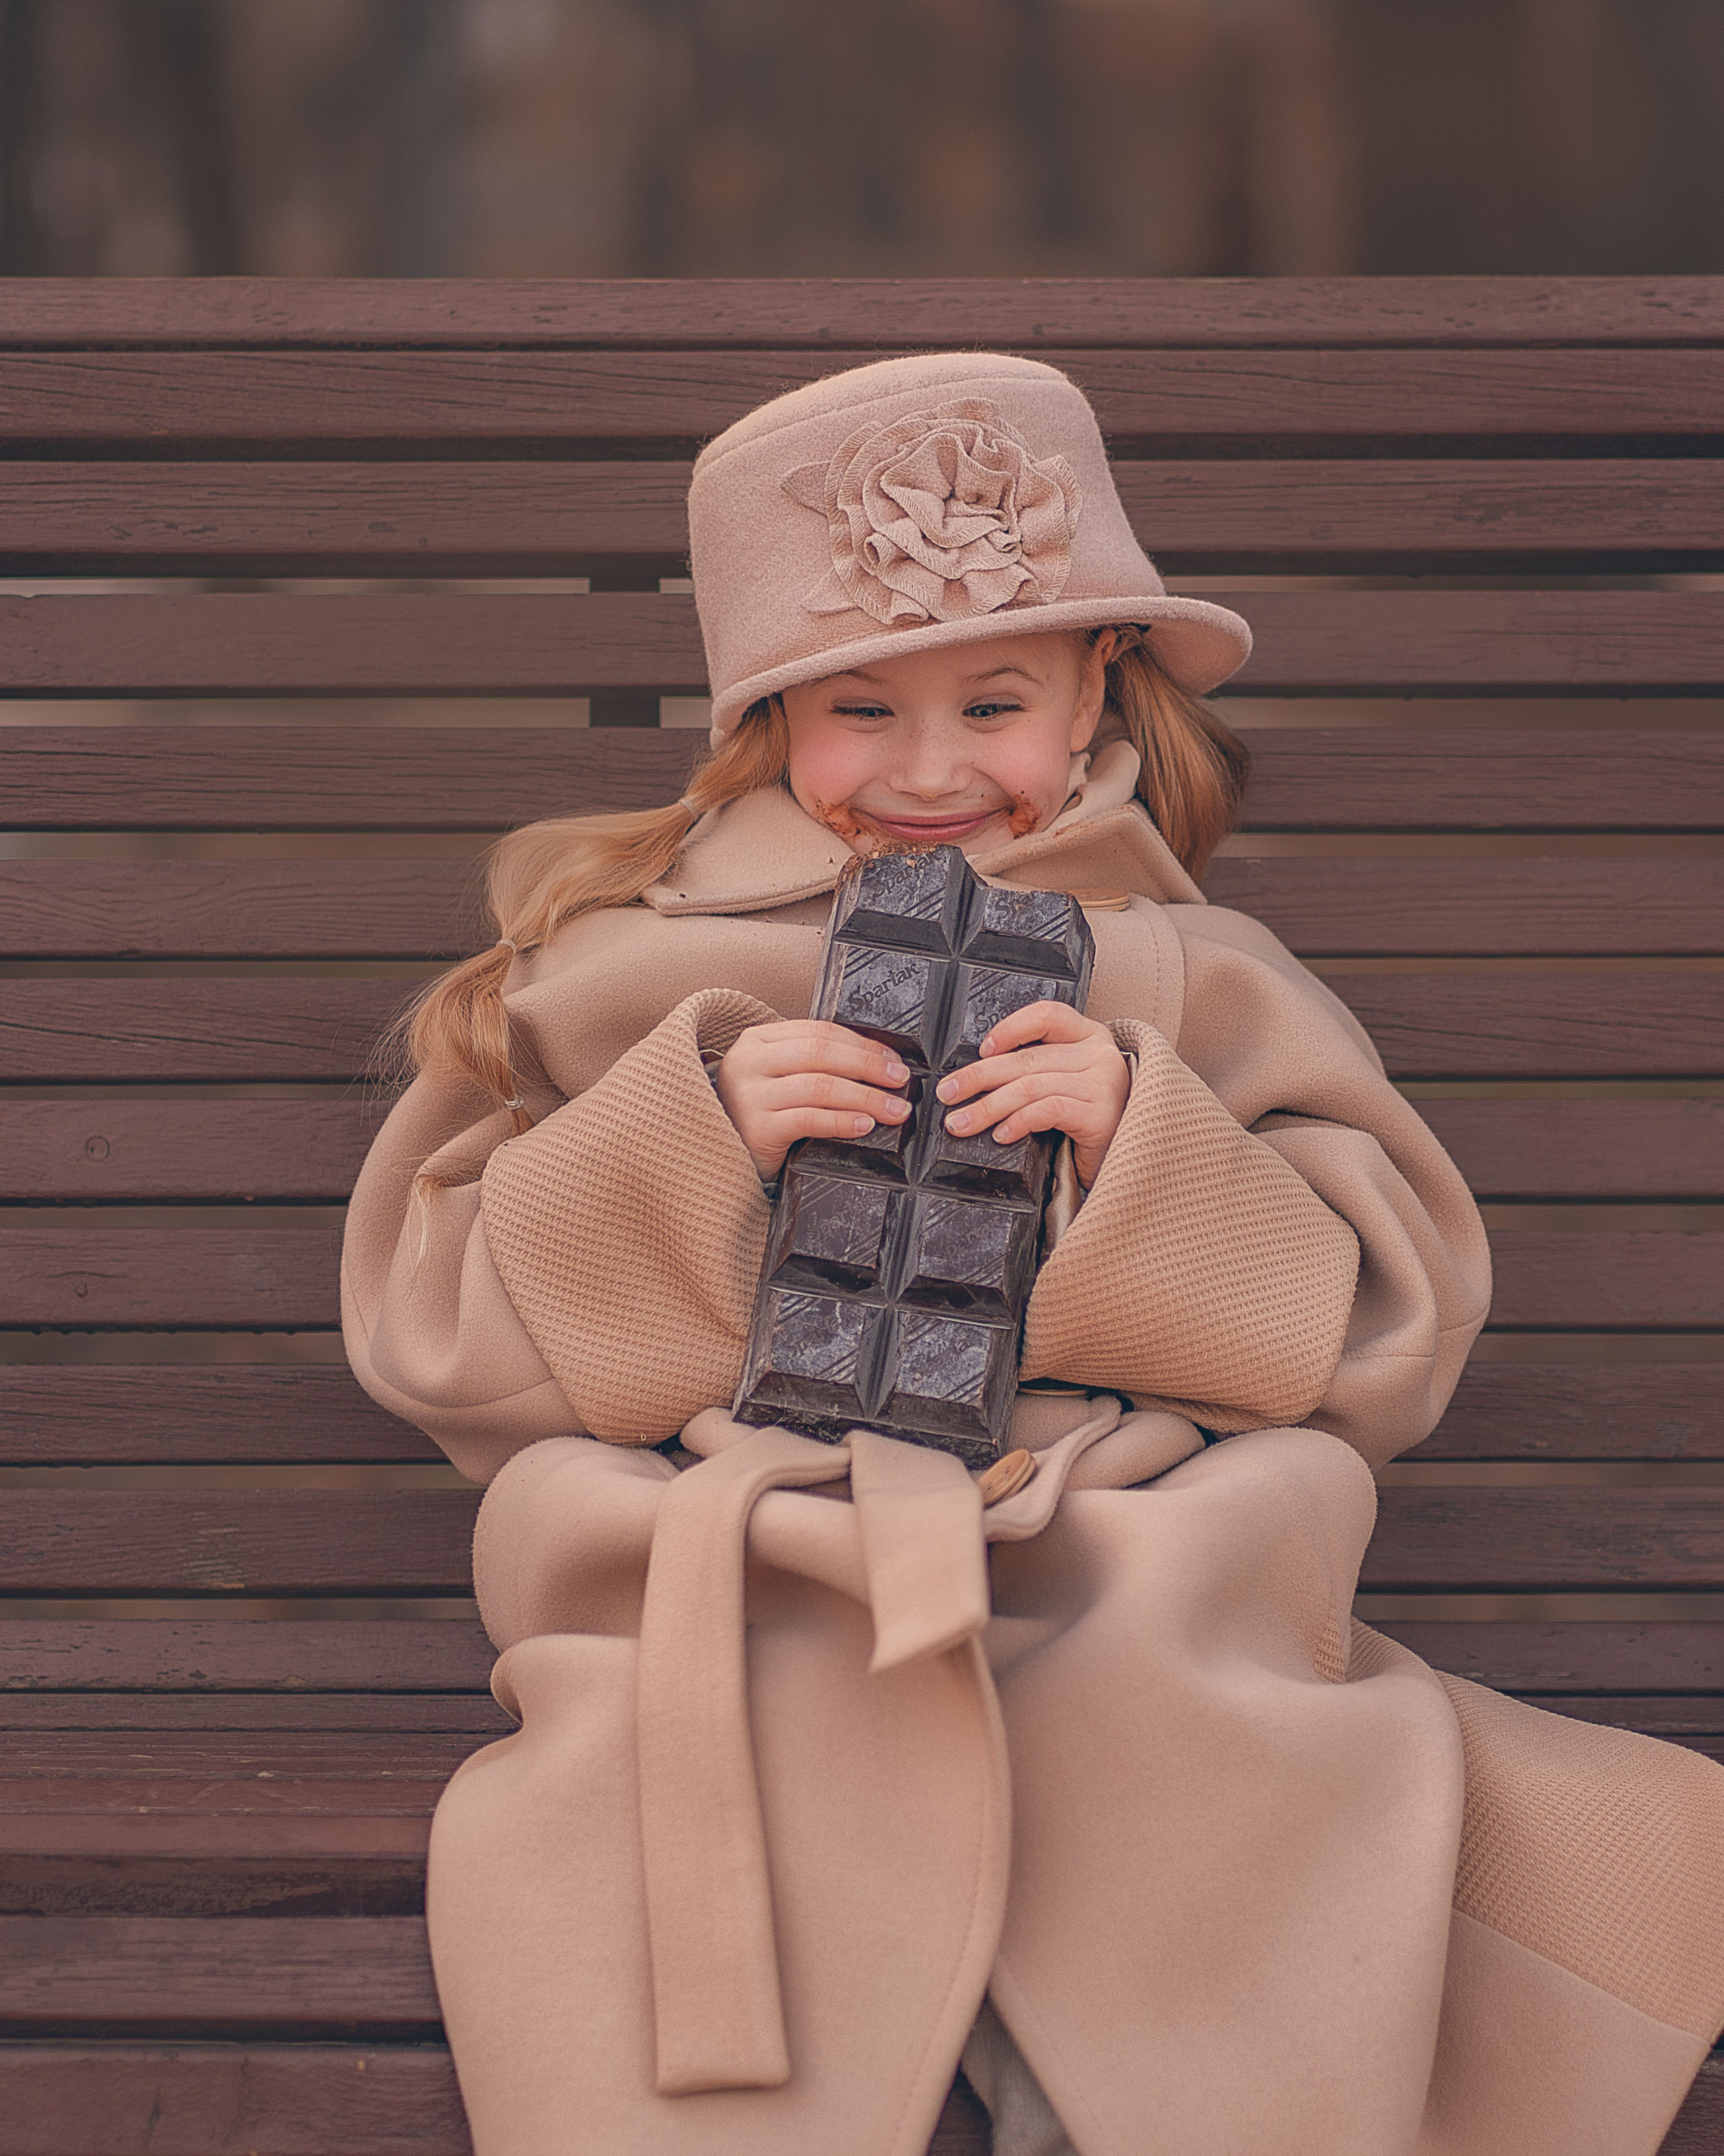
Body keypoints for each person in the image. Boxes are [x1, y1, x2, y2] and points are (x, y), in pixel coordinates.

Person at [342, 352, 1724, 2156]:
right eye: (857, 710)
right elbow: (440, 1328)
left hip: (1120, 1527)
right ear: (766, 726)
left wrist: (1143, 1141)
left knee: (1230, 1597)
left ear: (1093, 703)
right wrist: (690, 1133)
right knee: (710, 1655)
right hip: (749, 1536)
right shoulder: (623, 964)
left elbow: (1384, 1322)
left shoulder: (1199, 973)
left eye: (992, 701)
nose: (930, 772)